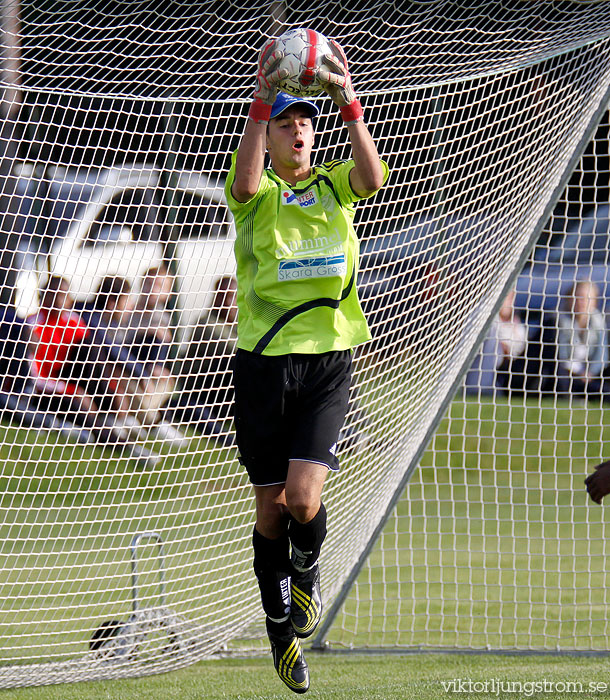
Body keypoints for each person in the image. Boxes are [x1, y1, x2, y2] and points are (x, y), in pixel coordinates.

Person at [225, 36, 388, 693]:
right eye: (286, 124)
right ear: (271, 134)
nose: (298, 133)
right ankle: (279, 637)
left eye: (304, 124)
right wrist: (261, 102)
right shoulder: (258, 193)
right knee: (269, 511)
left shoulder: (331, 187)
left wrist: (346, 101)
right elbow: (240, 180)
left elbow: (372, 178)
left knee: (301, 498)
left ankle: (309, 576)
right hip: (264, 368)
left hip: (326, 364)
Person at [172, 275, 237, 439]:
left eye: (232, 296)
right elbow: (235, 350)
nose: (228, 302)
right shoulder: (206, 324)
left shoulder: (240, 325)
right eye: (223, 296)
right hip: (201, 390)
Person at [543, 280, 609, 401]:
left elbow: (601, 355)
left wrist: (590, 372)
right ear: (569, 299)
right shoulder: (557, 321)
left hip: (588, 376)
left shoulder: (598, 322)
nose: (582, 302)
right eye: (578, 297)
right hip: (565, 375)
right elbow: (560, 358)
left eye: (587, 298)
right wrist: (577, 374)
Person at [464, 289, 528, 396]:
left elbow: (515, 349)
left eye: (510, 299)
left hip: (507, 375)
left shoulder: (517, 326)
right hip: (481, 376)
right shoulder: (486, 320)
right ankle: (480, 387)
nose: (507, 302)